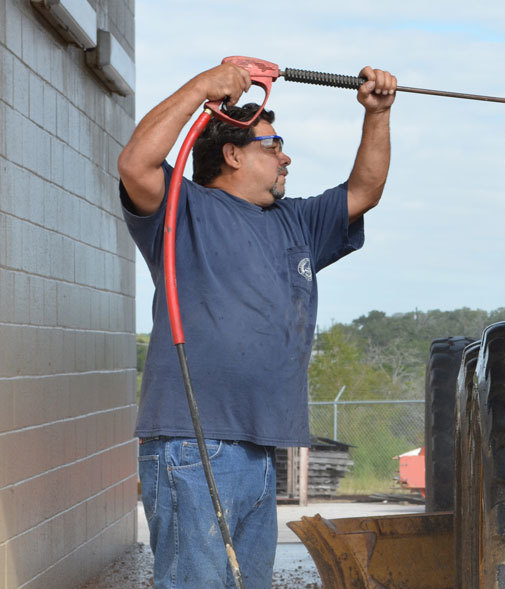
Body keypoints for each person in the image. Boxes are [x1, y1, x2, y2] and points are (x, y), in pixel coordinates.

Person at [117, 63, 397, 588]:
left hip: (261, 446)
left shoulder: (296, 221)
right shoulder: (183, 209)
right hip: (194, 445)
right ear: (233, 154)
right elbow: (136, 163)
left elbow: (365, 189)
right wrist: (203, 86)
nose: (285, 157)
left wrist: (377, 114)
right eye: (274, 145)